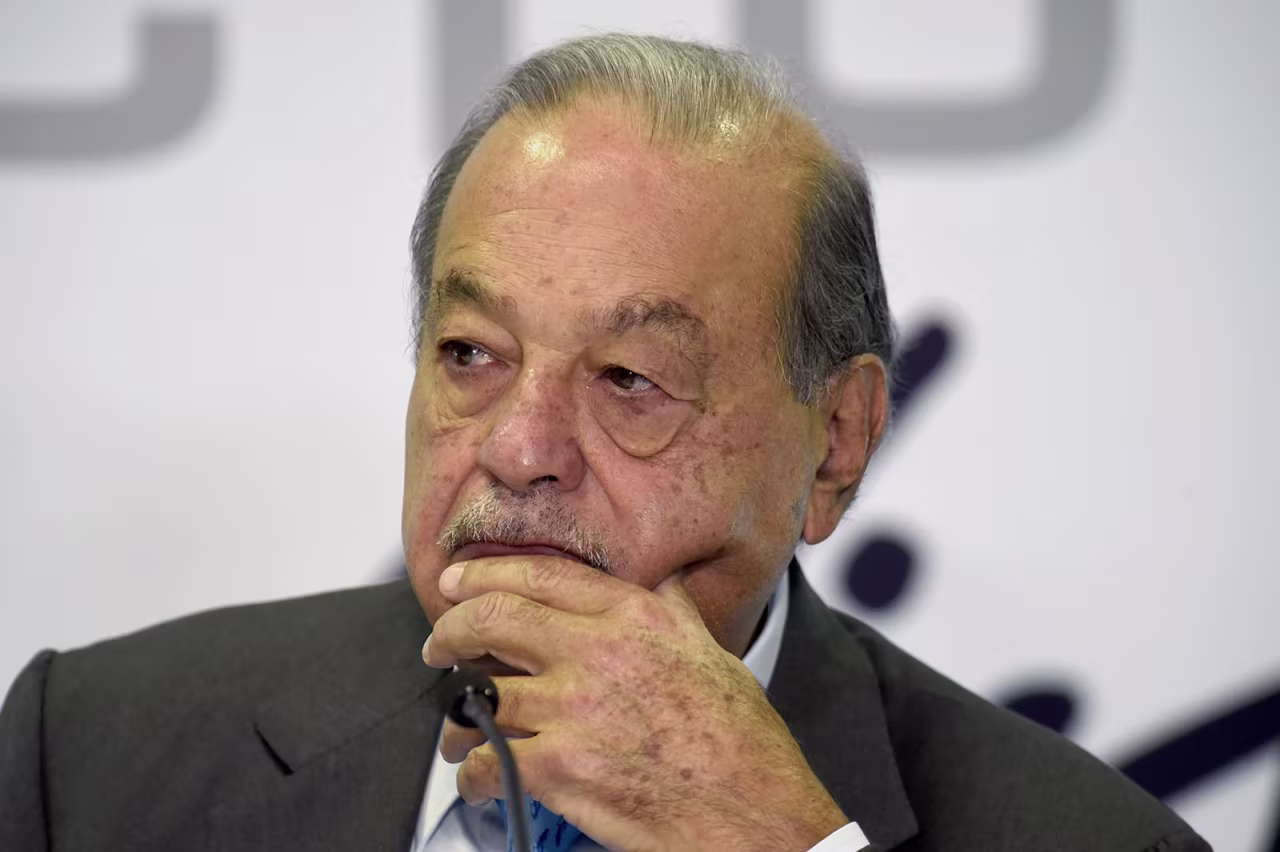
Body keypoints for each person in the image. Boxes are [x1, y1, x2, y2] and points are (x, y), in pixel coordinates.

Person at [0, 33, 1208, 852]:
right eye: (470, 354)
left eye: (629, 379)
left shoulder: (1081, 836)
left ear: (835, 445)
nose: (519, 448)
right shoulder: (94, 753)